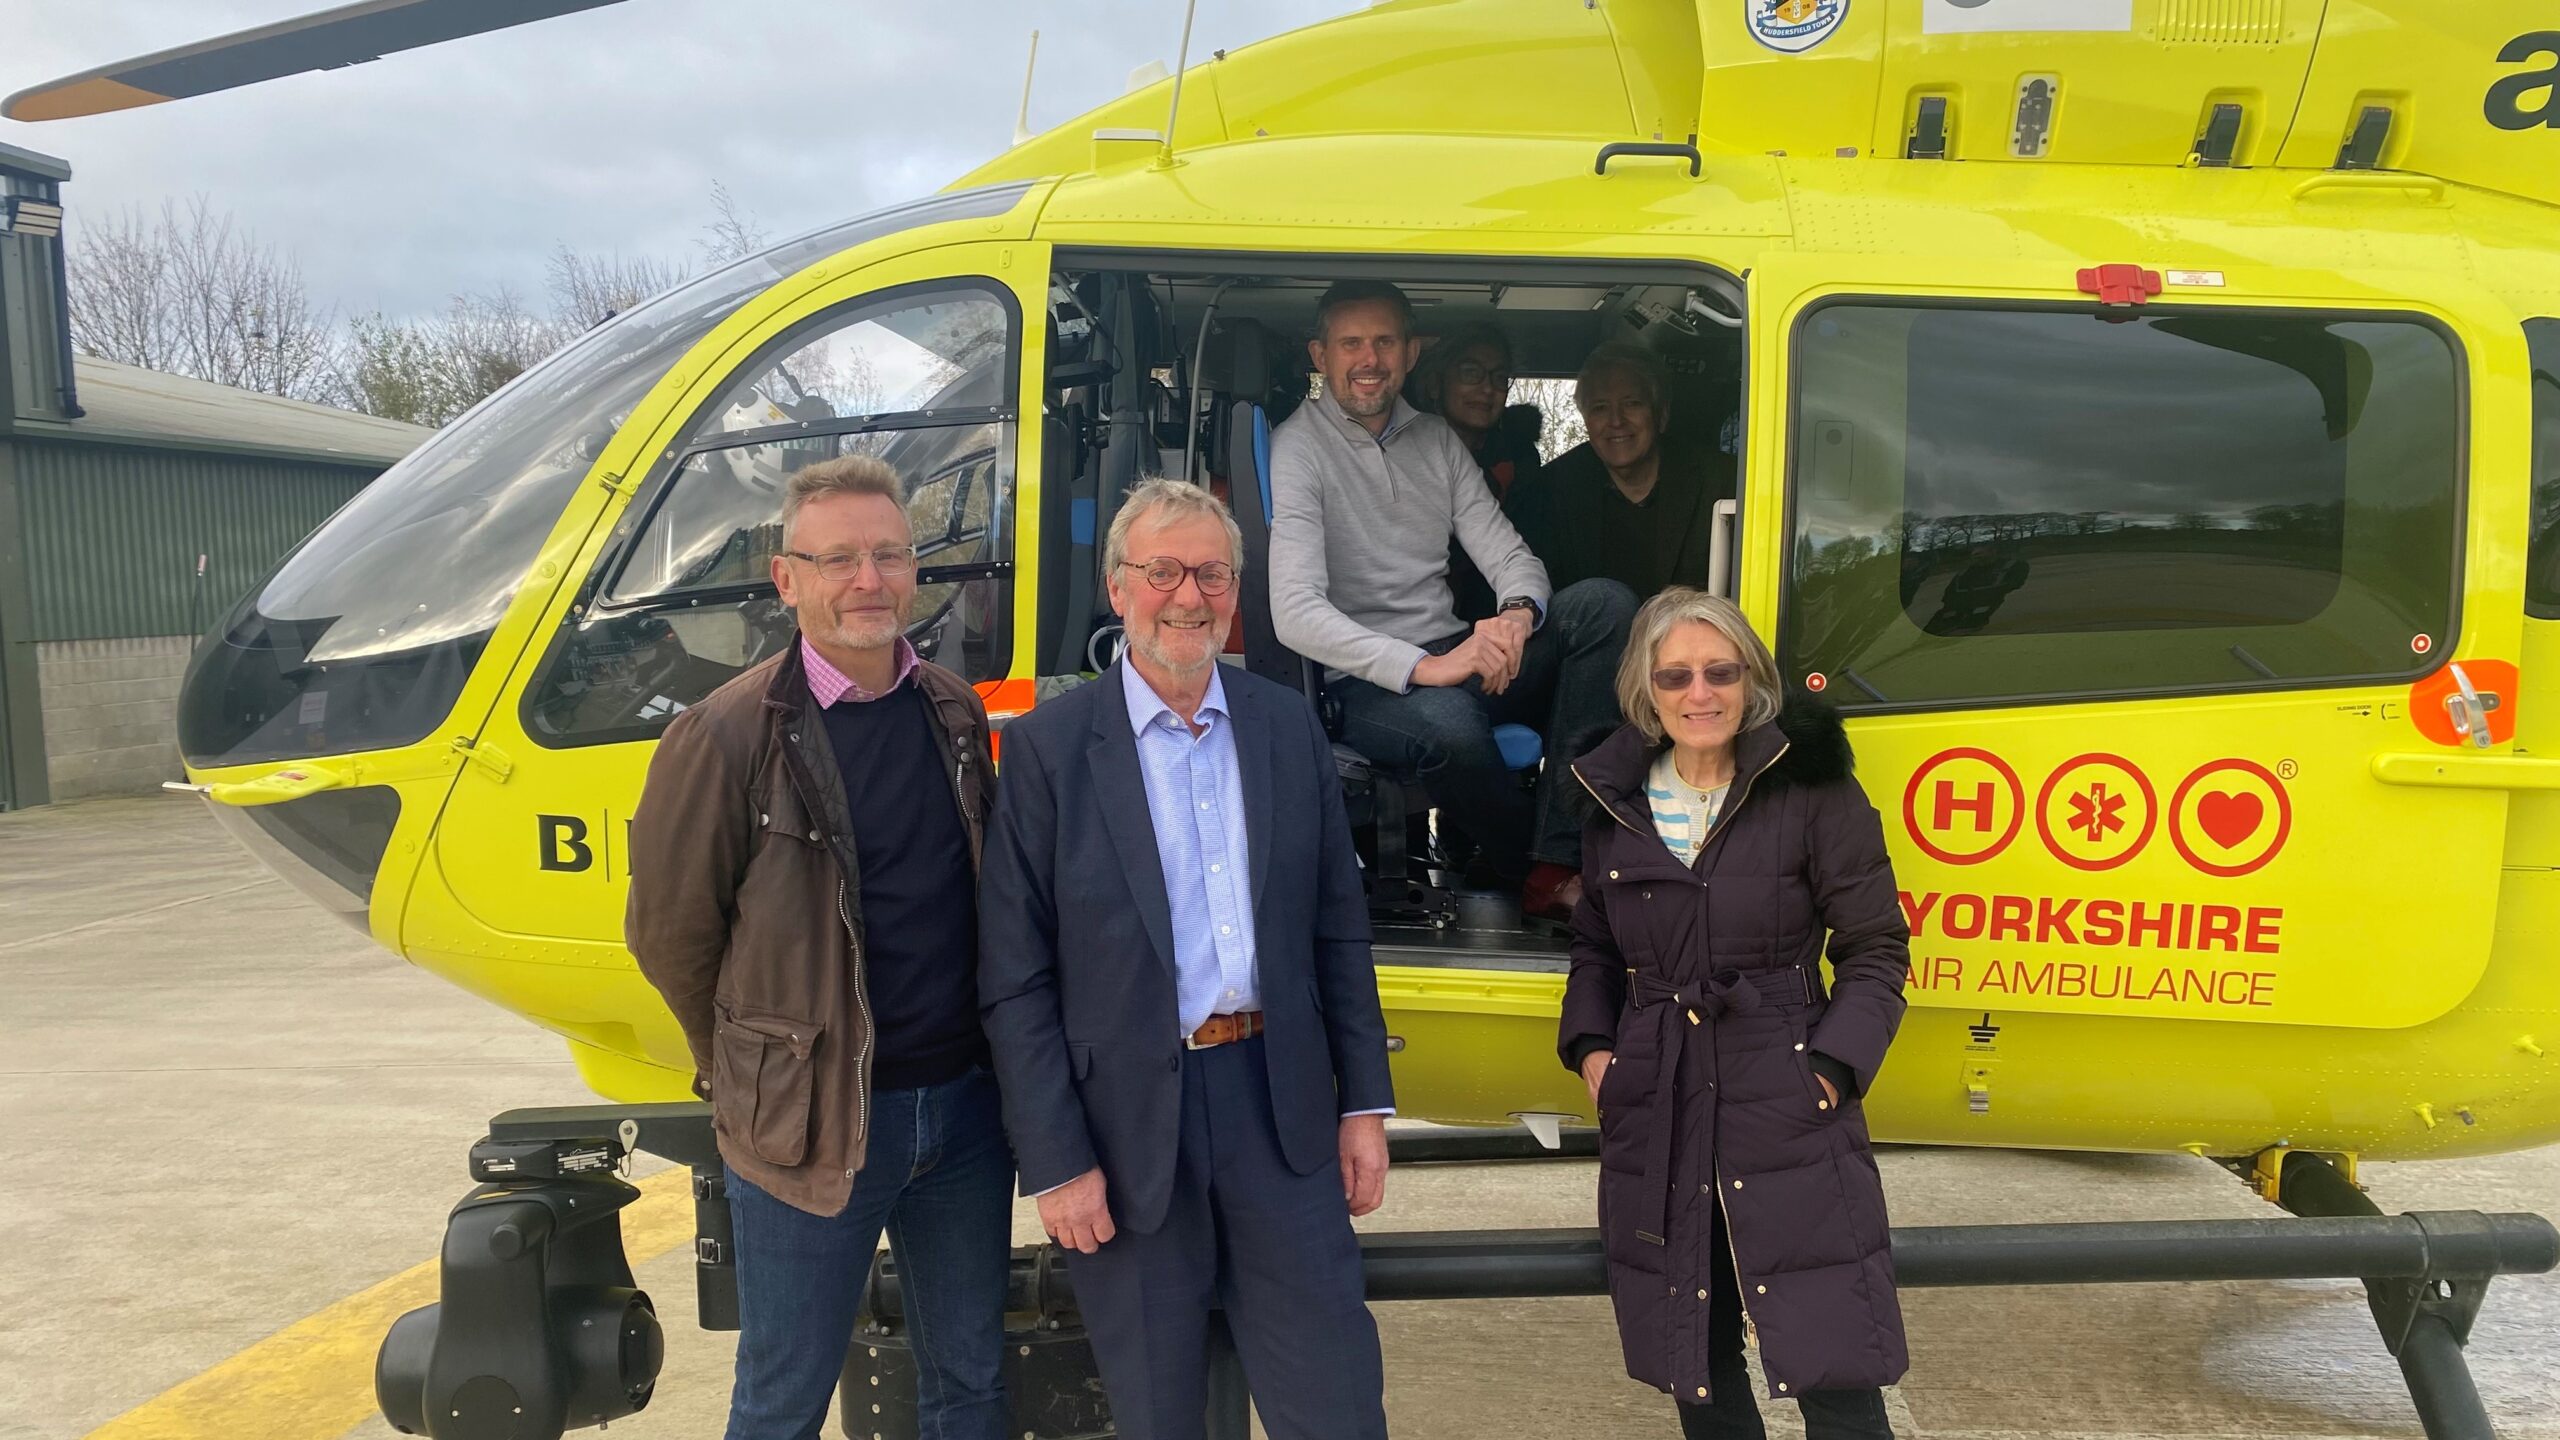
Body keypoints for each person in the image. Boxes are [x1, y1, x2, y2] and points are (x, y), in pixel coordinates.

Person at [980, 476, 1396, 1440]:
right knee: (1161, 1416)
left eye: (1211, 573)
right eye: (1162, 570)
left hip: (1279, 1111)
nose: (1188, 595)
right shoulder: (1046, 752)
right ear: (1119, 588)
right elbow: (1015, 975)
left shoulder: (1285, 726)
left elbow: (1338, 928)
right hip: (1124, 1136)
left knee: (1335, 1409)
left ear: (1234, 592)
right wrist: (1055, 1160)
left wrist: (1362, 1103)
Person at [626, 455, 1011, 1440]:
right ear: (785, 576)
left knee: (968, 1381)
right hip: (807, 1130)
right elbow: (671, 937)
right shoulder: (724, 737)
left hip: (963, 1118)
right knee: (782, 1398)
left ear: (915, 568)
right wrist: (754, 1072)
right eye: (837, 558)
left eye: (888, 553)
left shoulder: (953, 715)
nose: (867, 579)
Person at [1558, 588, 1910, 1440]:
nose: (1700, 693)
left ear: (1752, 680)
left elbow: (1876, 949)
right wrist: (1596, 1050)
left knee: (1834, 1354)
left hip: (1785, 1091)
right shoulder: (1615, 801)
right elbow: (1595, 951)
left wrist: (1831, 1068)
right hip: (1660, 1097)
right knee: (1698, 1360)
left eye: (1720, 671)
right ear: (1647, 692)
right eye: (1675, 676)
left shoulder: (1812, 790)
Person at [1268, 279, 1636, 917]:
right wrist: (1429, 667)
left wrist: (1517, 617)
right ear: (1319, 356)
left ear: (1411, 353)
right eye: (1350, 343)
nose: (1369, 359)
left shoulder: (1436, 440)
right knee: (1454, 727)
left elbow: (1513, 556)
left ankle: (1557, 860)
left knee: (1605, 604)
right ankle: (1538, 870)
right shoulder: (1296, 448)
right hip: (1365, 682)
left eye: (1384, 341)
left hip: (1454, 657)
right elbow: (1294, 611)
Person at [1513, 342, 1737, 600]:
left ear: (1661, 415)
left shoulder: (1723, 479)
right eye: (1600, 408)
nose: (1616, 421)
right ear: (1586, 421)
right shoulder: (1551, 488)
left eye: (1632, 404)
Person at [1410, 321, 1540, 622]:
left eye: (1499, 378)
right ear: (1434, 384)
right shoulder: (1402, 455)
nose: (1487, 389)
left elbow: (1528, 551)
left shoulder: (1520, 461)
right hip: (1419, 627)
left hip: (1503, 618)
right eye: (1471, 373)